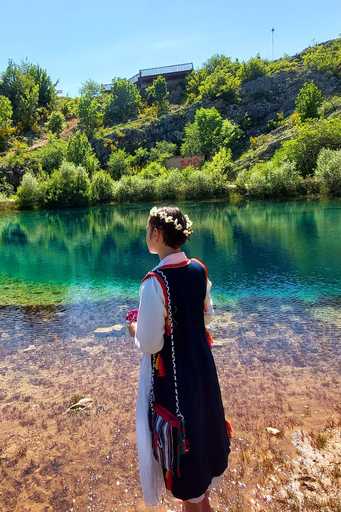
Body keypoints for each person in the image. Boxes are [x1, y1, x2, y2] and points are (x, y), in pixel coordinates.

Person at [127, 206, 231, 511]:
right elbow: (207, 316)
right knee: (201, 439)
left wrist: (133, 326)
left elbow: (149, 343)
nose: (146, 235)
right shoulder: (199, 269)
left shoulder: (154, 282)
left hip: (174, 382)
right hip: (202, 371)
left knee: (185, 463)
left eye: (147, 230)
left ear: (156, 234)